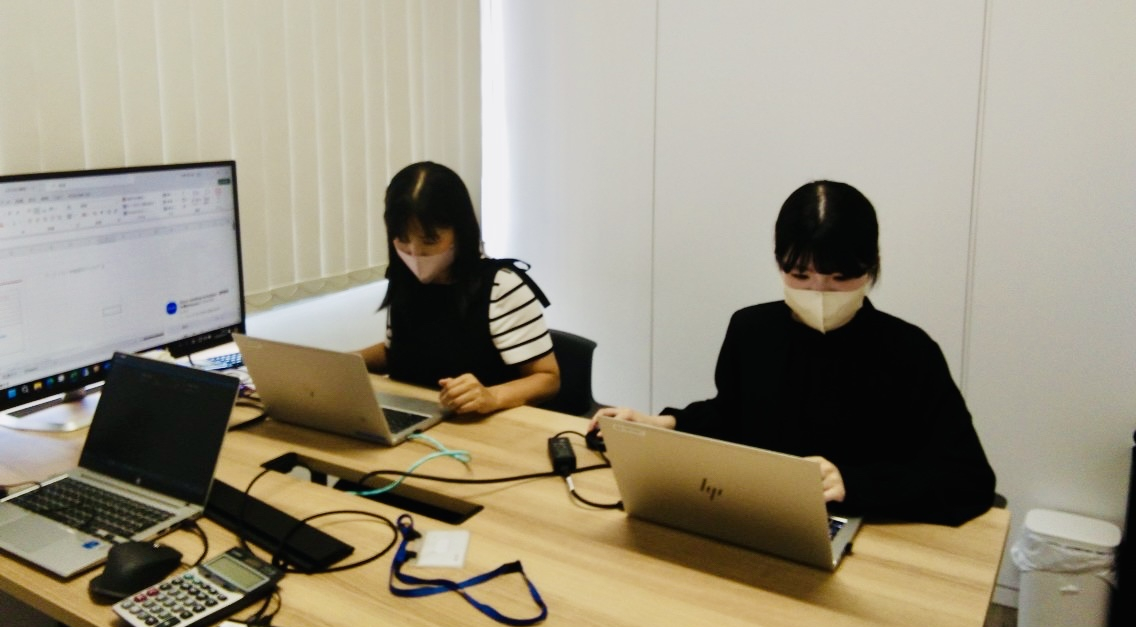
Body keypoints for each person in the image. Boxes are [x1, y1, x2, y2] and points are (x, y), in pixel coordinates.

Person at [592, 180, 996, 526]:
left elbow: (969, 479)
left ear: (871, 267)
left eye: (839, 277)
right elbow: (733, 417)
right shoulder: (752, 329)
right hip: (762, 518)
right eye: (800, 275)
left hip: (863, 531)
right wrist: (660, 424)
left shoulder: (909, 352)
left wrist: (853, 484)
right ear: (779, 264)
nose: (819, 291)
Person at [358, 161, 560, 415]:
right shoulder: (404, 278)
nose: (415, 253)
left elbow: (548, 379)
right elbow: (400, 351)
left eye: (430, 240)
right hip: (416, 416)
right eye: (403, 239)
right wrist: (343, 363)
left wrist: (493, 396)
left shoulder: (500, 287)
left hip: (481, 424)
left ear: (460, 231)